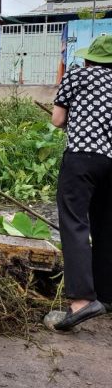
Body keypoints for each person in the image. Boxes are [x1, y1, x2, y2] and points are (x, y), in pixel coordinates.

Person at [49, 35, 112, 330]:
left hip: (81, 158)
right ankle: (106, 294)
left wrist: (77, 118)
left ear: (89, 59)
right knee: (105, 226)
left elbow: (58, 119)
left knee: (74, 224)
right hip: (110, 162)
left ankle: (82, 301)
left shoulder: (77, 75)